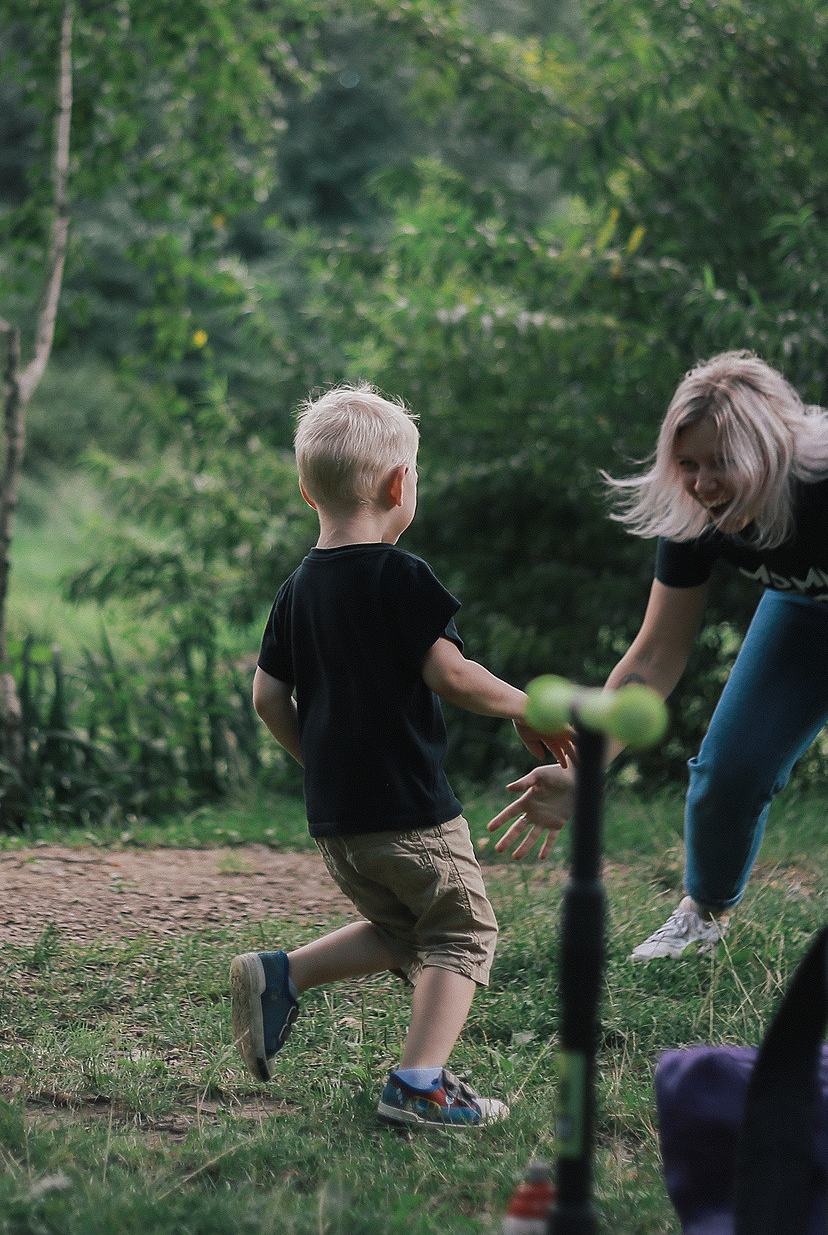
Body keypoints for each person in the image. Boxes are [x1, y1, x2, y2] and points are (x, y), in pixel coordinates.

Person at [489, 351, 828, 958]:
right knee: (730, 768)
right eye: (688, 464)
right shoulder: (695, 513)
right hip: (814, 596)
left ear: (770, 450)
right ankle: (703, 917)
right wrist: (585, 773)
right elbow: (654, 657)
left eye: (723, 462)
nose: (703, 483)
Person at [232, 383, 562, 1130]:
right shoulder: (400, 574)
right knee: (462, 932)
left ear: (308, 490)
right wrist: (527, 704)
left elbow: (267, 697)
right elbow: (452, 675)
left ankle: (283, 976)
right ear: (398, 484)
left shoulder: (297, 589)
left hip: (339, 820)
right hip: (410, 809)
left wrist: (320, 764)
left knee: (407, 931)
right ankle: (418, 1085)